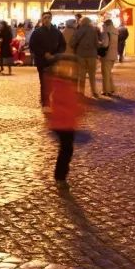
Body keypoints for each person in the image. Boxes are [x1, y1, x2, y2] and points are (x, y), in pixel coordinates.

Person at [44, 55, 83, 184]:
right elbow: (66, 103)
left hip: (66, 121)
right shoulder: (61, 85)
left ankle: (61, 174)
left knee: (66, 148)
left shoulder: (64, 83)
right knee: (66, 149)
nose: (70, 69)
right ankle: (60, 175)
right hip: (63, 122)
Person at [29, 11, 66, 107]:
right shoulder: (37, 32)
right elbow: (33, 46)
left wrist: (56, 54)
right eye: (45, 17)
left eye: (48, 17)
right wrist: (44, 53)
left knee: (53, 81)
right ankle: (45, 100)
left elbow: (63, 45)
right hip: (41, 60)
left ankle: (51, 97)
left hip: (53, 60)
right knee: (43, 81)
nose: (47, 19)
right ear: (42, 19)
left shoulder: (57, 32)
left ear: (51, 19)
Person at [69, 16, 100, 98]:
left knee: (82, 74)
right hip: (92, 55)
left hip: (81, 55)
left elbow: (72, 43)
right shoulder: (93, 31)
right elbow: (97, 44)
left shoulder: (78, 31)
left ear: (81, 22)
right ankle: (94, 92)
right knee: (92, 75)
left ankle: (81, 92)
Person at [99, 18, 119, 96]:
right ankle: (111, 88)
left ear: (106, 24)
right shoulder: (115, 31)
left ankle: (106, 90)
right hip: (113, 54)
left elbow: (105, 44)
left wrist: (100, 43)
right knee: (108, 72)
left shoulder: (106, 32)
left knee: (105, 73)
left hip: (106, 55)